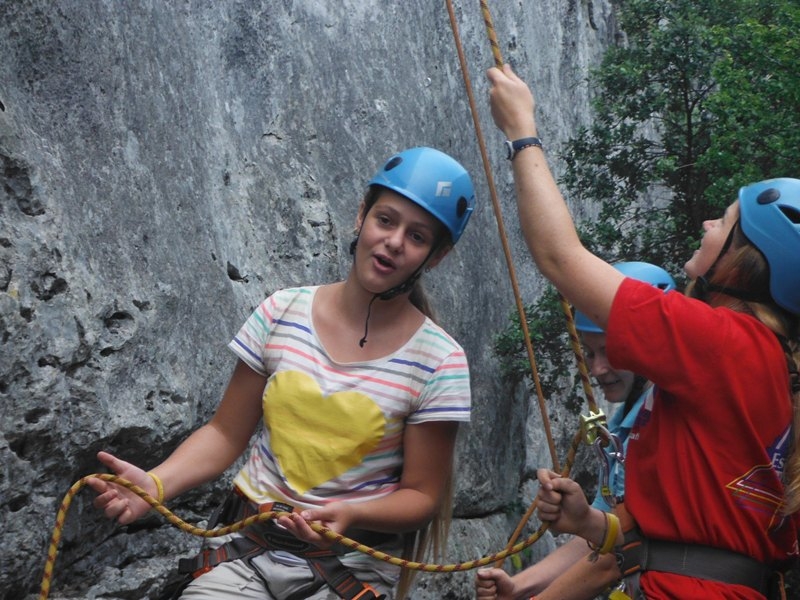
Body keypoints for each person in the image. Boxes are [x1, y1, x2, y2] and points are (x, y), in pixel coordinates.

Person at [87, 146, 476, 600]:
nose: (393, 241)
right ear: (361, 217)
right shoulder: (281, 311)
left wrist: (349, 515)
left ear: (436, 257)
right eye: (385, 220)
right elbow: (225, 433)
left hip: (349, 564)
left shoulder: (440, 361)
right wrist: (156, 484)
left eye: (417, 236)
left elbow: (421, 496)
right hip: (248, 548)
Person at [487, 62, 800, 599]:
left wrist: (522, 132)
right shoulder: (769, 363)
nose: (707, 224)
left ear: (747, 262)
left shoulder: (723, 343)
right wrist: (592, 522)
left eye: (723, 222)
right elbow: (687, 532)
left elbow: (560, 258)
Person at [476, 263, 677, 600]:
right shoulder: (622, 428)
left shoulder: (668, 428)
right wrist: (520, 586)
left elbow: (621, 552)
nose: (597, 368)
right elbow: (600, 536)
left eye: (610, 352)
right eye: (590, 352)